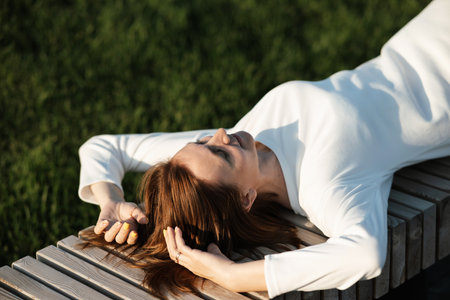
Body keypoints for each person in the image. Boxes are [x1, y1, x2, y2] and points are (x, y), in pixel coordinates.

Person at [78, 0, 450, 298]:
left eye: (204, 142)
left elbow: (105, 147)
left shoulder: (247, 139)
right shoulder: (324, 182)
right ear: (245, 199)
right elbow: (365, 254)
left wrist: (109, 201)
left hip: (423, 33)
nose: (221, 134)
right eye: (221, 154)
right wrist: (234, 276)